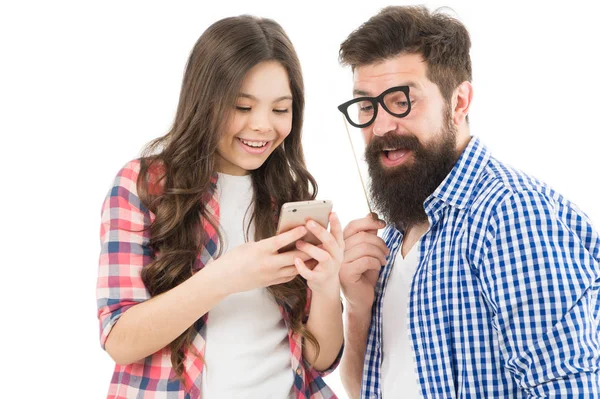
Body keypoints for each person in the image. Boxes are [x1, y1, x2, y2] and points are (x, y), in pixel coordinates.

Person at [336, 6, 600, 398]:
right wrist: (358, 307)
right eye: (366, 106)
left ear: (459, 102)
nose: (381, 126)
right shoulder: (393, 236)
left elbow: (572, 390)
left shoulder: (511, 216)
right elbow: (369, 388)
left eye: (401, 100)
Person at [96, 15, 344, 399]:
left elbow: (321, 360)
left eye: (281, 110)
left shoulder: (290, 197)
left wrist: (327, 286)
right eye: (242, 107)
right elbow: (120, 338)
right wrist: (224, 277)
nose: (263, 125)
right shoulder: (144, 186)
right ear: (204, 101)